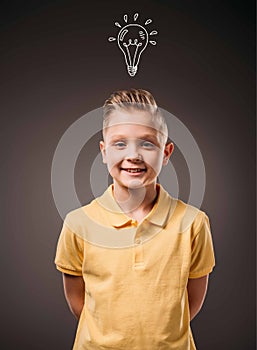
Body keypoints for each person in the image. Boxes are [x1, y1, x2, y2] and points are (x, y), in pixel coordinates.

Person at [54, 88, 215, 349]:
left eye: (147, 143)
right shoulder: (78, 223)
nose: (134, 155)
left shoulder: (193, 223)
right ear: (104, 152)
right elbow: (78, 302)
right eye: (120, 143)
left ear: (166, 153)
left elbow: (190, 302)